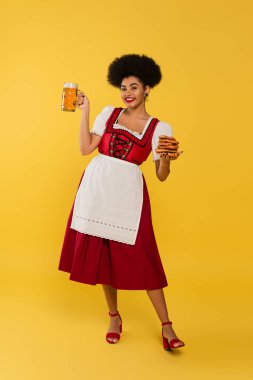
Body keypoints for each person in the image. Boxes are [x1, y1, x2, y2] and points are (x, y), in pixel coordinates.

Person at [58, 54, 185, 350]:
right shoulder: (108, 113)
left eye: (134, 87)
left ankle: (167, 326)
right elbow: (85, 148)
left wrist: (167, 160)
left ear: (147, 89)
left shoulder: (160, 127)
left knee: (145, 255)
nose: (127, 93)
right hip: (97, 186)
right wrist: (85, 111)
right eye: (124, 87)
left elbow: (161, 175)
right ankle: (114, 316)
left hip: (128, 194)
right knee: (104, 253)